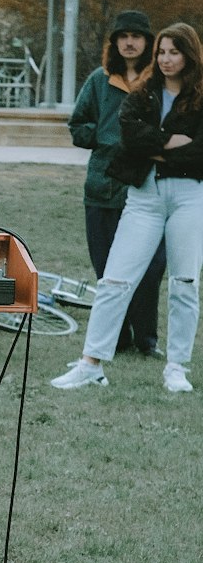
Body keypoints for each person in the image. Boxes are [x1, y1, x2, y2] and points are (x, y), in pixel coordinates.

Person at [52, 22, 203, 394]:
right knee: (115, 280)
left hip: (189, 196)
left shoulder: (200, 97)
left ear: (189, 55)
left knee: (184, 283)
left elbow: (199, 151)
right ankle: (91, 363)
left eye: (174, 52)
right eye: (162, 52)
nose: (167, 60)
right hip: (144, 196)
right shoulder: (144, 92)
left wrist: (156, 147)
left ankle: (176, 367)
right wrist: (169, 142)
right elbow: (127, 137)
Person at [68, 10, 165, 357]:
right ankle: (118, 337)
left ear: (148, 42)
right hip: (102, 189)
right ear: (114, 42)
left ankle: (147, 340)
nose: (129, 42)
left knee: (151, 267)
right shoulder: (99, 80)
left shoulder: (158, 81)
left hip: (146, 188)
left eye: (136, 36)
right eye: (122, 36)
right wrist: (105, 136)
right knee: (107, 267)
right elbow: (77, 125)